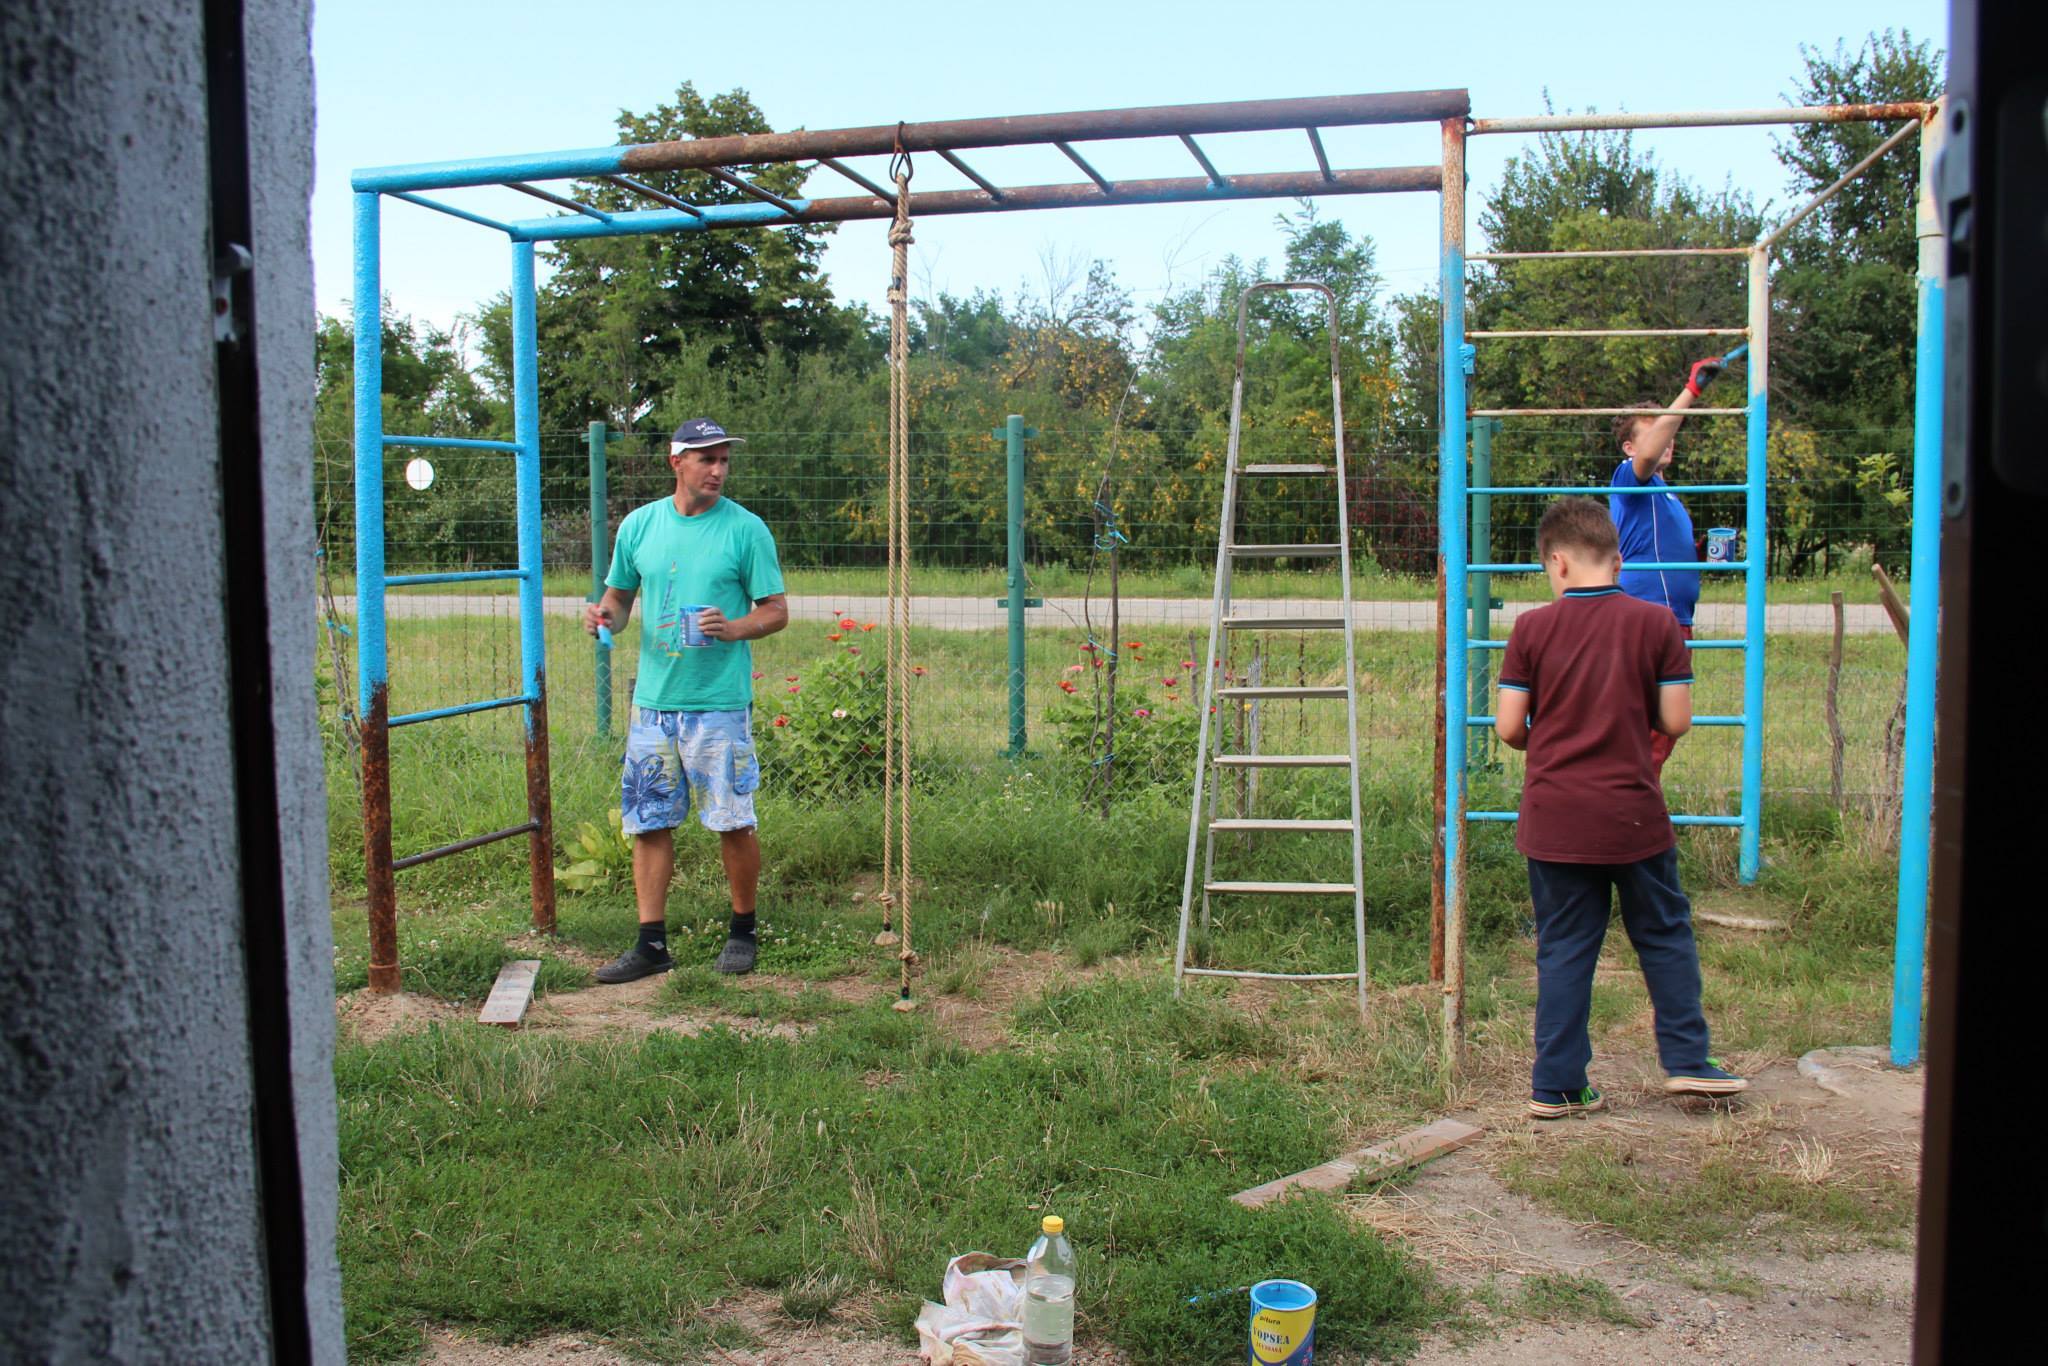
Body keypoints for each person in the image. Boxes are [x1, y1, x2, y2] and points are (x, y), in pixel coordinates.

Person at [1495, 496, 1747, 1119]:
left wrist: (1548, 734)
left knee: (1564, 946)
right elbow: (1676, 720)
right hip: (1633, 815)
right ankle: (1689, 1061)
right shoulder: (1656, 624)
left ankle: (1556, 1085)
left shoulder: (1531, 629)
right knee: (1663, 934)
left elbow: (1507, 729)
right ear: (1619, 557)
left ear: (1556, 563)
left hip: (1554, 817)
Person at [582, 418, 788, 982]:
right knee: (649, 822)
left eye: (724, 460)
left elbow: (776, 610)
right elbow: (619, 599)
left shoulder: (746, 531)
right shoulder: (640, 526)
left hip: (718, 702)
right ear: (677, 463)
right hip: (653, 703)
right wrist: (606, 618)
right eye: (707, 460)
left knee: (732, 820)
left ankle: (743, 931)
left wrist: (735, 626)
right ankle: (651, 946)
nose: (719, 470)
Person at [1609, 353, 1729, 775]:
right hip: (1649, 620)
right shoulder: (1630, 475)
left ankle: (1632, 808)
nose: (1669, 436)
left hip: (1672, 619)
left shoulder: (1665, 492)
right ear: (1630, 446)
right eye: (1658, 430)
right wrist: (1691, 392)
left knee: (1661, 727)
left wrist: (1698, 552)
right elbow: (1645, 459)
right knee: (1651, 728)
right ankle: (1629, 810)